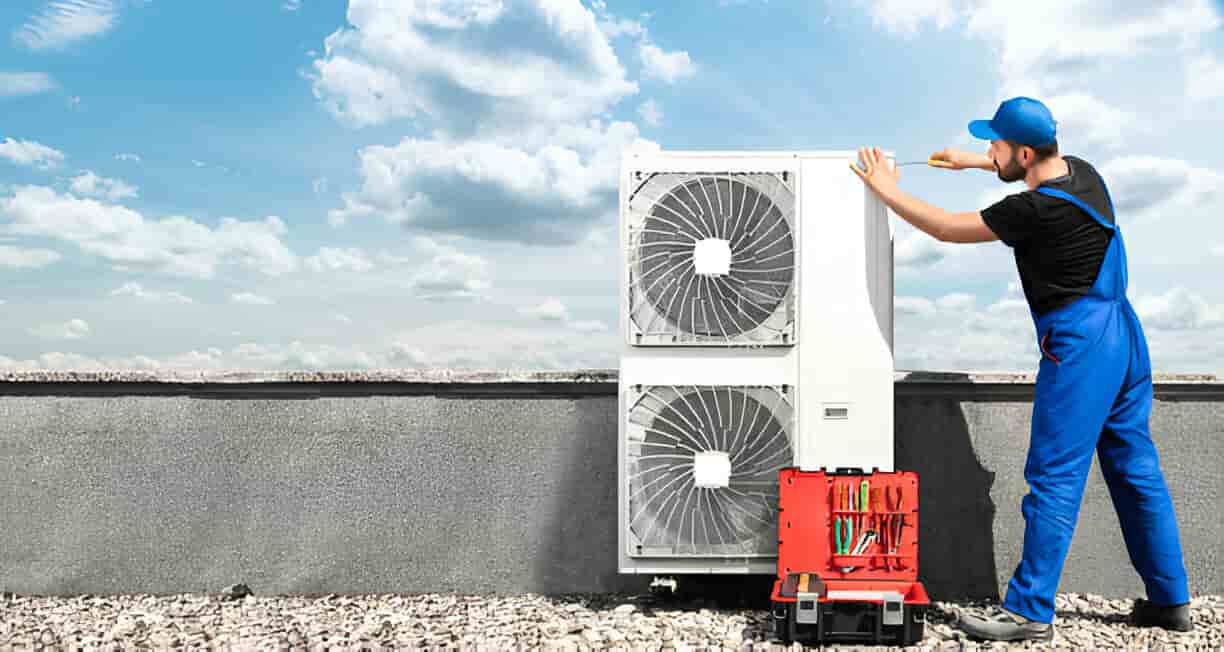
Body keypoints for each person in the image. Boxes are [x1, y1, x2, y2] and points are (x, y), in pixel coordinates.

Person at [850, 96, 1193, 642]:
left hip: (1080, 345)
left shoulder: (1032, 211)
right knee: (1136, 471)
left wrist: (885, 187)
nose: (991, 150)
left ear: (1025, 152)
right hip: (1126, 336)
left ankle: (1029, 611)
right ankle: (1171, 600)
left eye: (997, 145)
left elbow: (945, 227)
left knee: (1054, 477)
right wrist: (970, 161)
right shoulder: (1084, 173)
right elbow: (1022, 170)